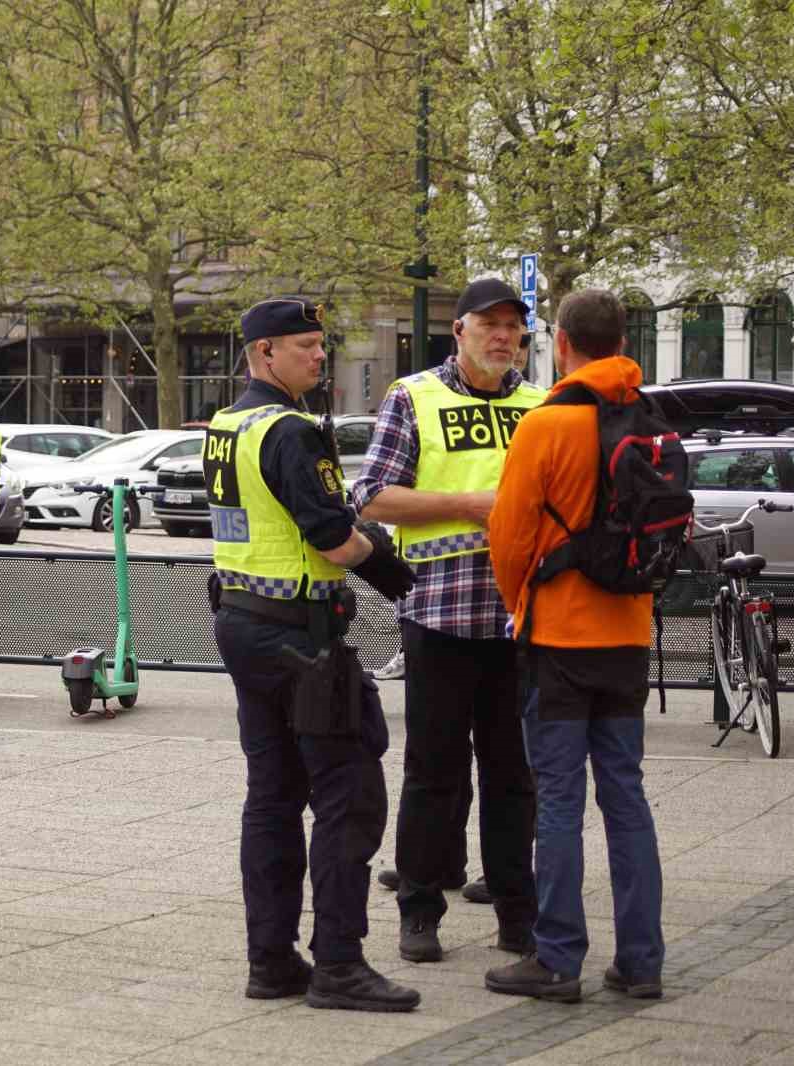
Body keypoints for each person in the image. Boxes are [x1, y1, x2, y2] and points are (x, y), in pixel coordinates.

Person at [209, 296, 420, 1012]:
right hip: (301, 639)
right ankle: (339, 964)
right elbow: (334, 536)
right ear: (265, 352)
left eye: (321, 344)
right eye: (306, 345)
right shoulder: (292, 431)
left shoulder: (227, 424)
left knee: (271, 798)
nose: (320, 355)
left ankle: (270, 961)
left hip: (242, 623)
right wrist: (392, 571)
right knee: (350, 797)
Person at [351, 277, 544, 964]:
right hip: (438, 614)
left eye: (511, 327)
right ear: (457, 331)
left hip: (520, 617)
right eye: (488, 325)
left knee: (513, 774)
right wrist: (470, 507)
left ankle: (518, 915)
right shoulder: (415, 396)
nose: (501, 337)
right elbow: (372, 497)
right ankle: (421, 909)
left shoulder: (538, 403)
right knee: (434, 771)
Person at [486, 289, 664, 1003]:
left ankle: (557, 957)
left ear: (561, 342)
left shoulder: (546, 424)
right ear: (621, 339)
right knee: (626, 796)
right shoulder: (649, 418)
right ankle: (642, 960)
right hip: (629, 634)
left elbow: (509, 538)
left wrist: (520, 604)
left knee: (558, 801)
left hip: (560, 637)